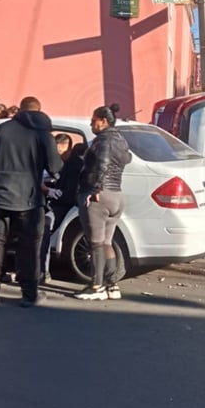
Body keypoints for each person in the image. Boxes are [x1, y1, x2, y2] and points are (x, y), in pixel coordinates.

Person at [0, 96, 63, 308]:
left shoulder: (2, 129)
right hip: (28, 198)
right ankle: (29, 295)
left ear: (20, 110)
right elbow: (55, 166)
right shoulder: (42, 133)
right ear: (39, 111)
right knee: (29, 248)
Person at [74, 104, 132, 301]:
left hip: (100, 195)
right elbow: (127, 158)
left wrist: (96, 188)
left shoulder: (103, 140)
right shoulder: (121, 140)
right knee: (107, 242)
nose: (91, 124)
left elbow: (103, 162)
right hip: (116, 194)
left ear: (103, 121)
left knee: (95, 243)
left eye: (93, 121)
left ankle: (96, 286)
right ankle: (112, 285)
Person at [40, 142, 86, 282]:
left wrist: (51, 194)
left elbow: (67, 190)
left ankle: (42, 271)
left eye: (61, 150)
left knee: (43, 230)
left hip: (63, 205)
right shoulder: (76, 164)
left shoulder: (73, 165)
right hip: (70, 203)